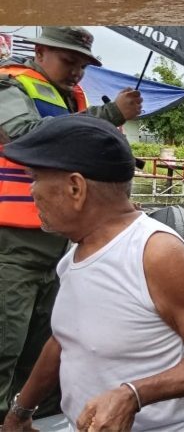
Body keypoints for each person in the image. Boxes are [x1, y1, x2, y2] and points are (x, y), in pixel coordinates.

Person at [1, 116, 184, 432]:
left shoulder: (158, 254)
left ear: (75, 188)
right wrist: (20, 412)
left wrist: (133, 395)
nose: (31, 191)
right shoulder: (75, 253)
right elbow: (63, 338)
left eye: (35, 178)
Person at [0, 27, 142, 419]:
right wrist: (109, 115)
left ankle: (22, 418)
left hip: (58, 246)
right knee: (5, 346)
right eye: (69, 61)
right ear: (40, 52)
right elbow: (24, 136)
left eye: (82, 65)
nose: (77, 72)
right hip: (11, 244)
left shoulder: (71, 99)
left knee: (44, 347)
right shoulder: (9, 86)